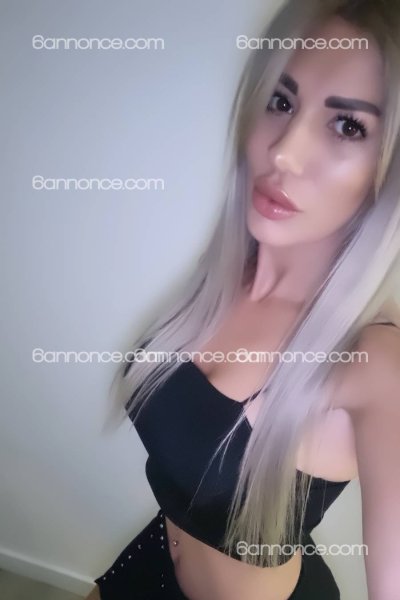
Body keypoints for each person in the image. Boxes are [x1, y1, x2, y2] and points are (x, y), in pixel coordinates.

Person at [86, 0, 400, 598]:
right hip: (154, 554)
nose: (283, 153)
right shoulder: (223, 279)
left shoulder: (375, 361)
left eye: (347, 126)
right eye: (280, 101)